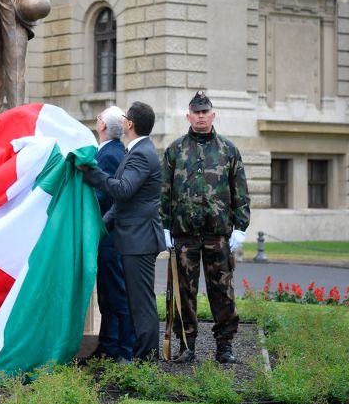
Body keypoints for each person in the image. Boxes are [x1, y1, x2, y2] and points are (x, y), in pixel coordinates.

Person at [161, 91, 250, 365]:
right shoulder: (175, 150)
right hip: (184, 235)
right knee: (182, 292)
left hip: (218, 234)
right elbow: (165, 191)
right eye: (196, 112)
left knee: (222, 291)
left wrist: (240, 227)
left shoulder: (228, 150)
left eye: (205, 112)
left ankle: (224, 346)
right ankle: (186, 345)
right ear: (188, 116)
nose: (200, 116)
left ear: (212, 115)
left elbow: (240, 192)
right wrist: (164, 227)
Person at [80, 101, 167, 361]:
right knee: (136, 301)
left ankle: (145, 359)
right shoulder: (135, 150)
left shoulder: (140, 153)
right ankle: (140, 355)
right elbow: (122, 204)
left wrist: (92, 173)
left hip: (139, 238)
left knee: (140, 304)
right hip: (133, 237)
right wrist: (101, 227)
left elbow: (123, 190)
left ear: (130, 124)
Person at [88, 105, 135, 363]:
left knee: (115, 295)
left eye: (99, 119)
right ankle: (108, 346)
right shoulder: (115, 151)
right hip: (112, 236)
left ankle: (121, 350)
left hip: (111, 237)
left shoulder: (108, 155)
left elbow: (103, 195)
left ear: (103, 126)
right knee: (107, 295)